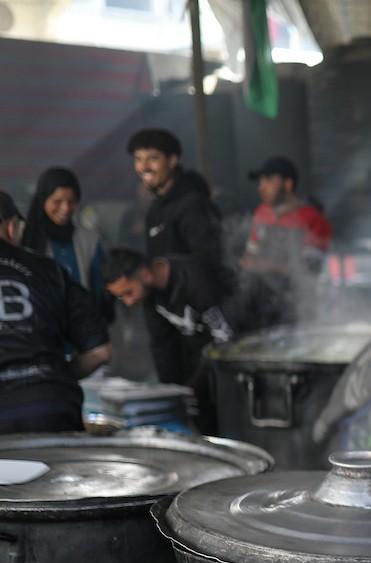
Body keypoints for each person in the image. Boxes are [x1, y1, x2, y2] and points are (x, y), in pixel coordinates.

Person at [0, 191, 111, 434]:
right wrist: (51, 373)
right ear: (10, 228)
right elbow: (99, 351)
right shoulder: (49, 269)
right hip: (51, 403)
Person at [101, 247, 238, 435]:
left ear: (145, 274)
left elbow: (227, 341)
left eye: (129, 292)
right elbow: (162, 345)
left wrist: (193, 387)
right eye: (121, 297)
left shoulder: (196, 279)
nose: (128, 302)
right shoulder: (149, 295)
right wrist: (170, 394)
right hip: (202, 361)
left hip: (236, 362)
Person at [239, 155, 332, 325]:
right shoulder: (261, 213)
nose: (261, 188)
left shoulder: (314, 219)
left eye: (267, 181)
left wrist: (264, 266)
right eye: (260, 182)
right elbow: (250, 256)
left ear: (287, 184)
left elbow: (310, 269)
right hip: (260, 309)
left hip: (298, 309)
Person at [125, 128, 227, 281]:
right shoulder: (155, 209)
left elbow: (209, 265)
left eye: (153, 158)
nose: (143, 166)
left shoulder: (193, 204)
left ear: (172, 160)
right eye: (138, 159)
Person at [20, 166, 112, 322]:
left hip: (79, 330)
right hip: (36, 329)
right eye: (57, 201)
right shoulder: (23, 237)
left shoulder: (89, 240)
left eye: (72, 202)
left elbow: (98, 289)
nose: (65, 208)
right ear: (43, 199)